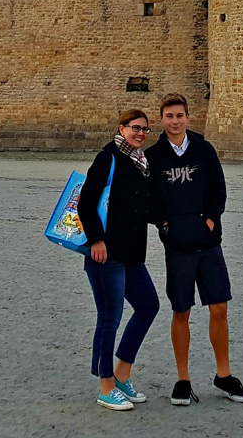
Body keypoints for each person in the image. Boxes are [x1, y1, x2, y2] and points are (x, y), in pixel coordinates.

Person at [151, 94, 243, 407]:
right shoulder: (154, 157)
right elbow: (150, 199)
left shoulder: (204, 150)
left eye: (180, 115)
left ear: (187, 117)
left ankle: (223, 374)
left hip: (208, 243)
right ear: (162, 119)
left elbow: (218, 190)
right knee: (181, 311)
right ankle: (183, 379)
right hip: (178, 245)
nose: (175, 121)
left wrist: (210, 221)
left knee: (219, 306)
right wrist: (166, 226)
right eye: (169, 116)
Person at [76, 108, 162, 412]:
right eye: (134, 128)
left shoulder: (142, 163)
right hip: (106, 254)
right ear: (121, 128)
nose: (140, 133)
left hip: (132, 254)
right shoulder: (108, 158)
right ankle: (106, 386)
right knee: (110, 318)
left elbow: (143, 208)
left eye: (144, 129)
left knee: (149, 305)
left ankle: (122, 374)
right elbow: (86, 202)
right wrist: (96, 240)